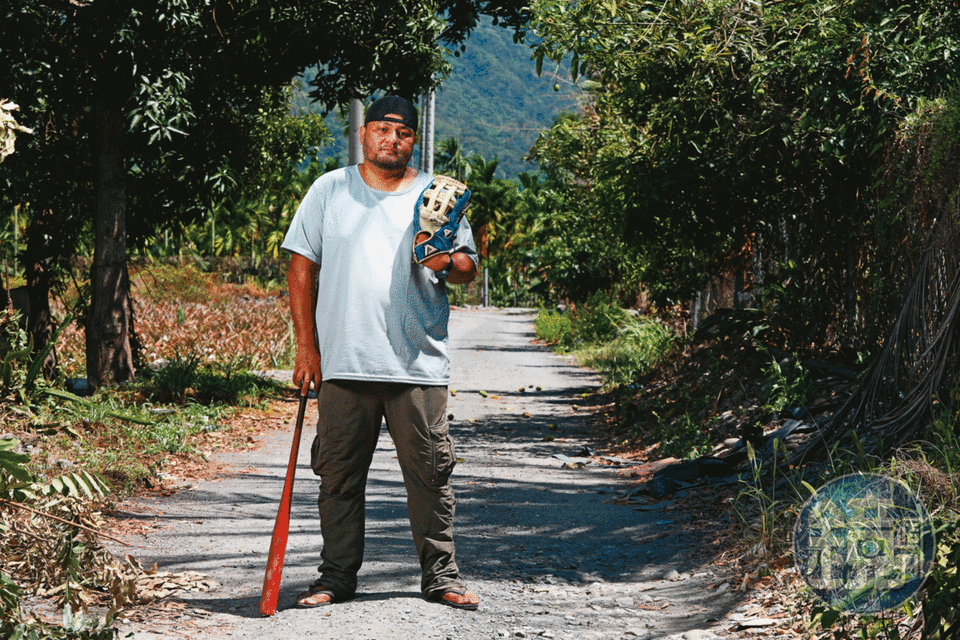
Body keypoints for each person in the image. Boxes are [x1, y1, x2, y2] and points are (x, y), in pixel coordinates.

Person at [281, 95, 481, 611]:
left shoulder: (438, 195)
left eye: (404, 132)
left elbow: (467, 266)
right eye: (383, 129)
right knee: (338, 478)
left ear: (413, 140)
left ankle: (442, 577)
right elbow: (300, 265)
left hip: (417, 364)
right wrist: (307, 349)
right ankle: (335, 578)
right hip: (344, 363)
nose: (392, 139)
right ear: (364, 133)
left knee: (430, 476)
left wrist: (442, 258)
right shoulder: (329, 190)